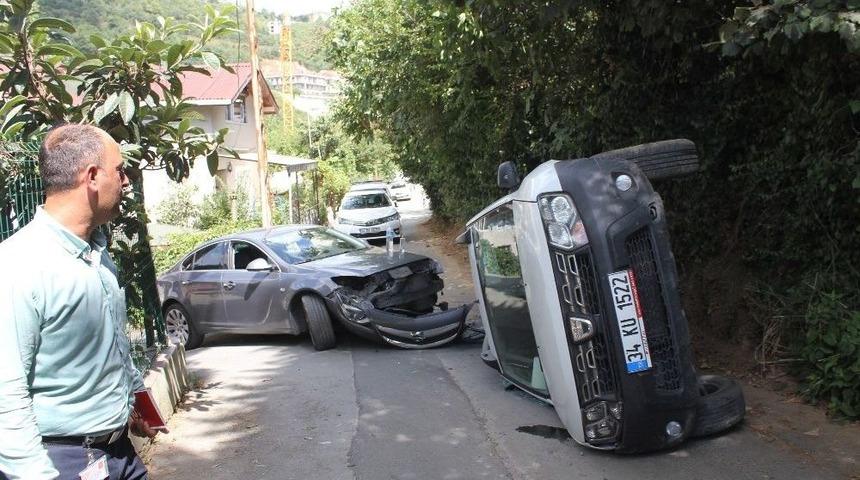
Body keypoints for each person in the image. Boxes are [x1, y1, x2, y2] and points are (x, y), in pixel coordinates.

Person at [0, 124, 160, 480]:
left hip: (119, 455)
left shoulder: (97, 254)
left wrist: (137, 405)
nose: (126, 182)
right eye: (119, 171)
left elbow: (113, 345)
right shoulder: (18, 265)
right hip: (61, 462)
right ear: (91, 177)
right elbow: (6, 393)